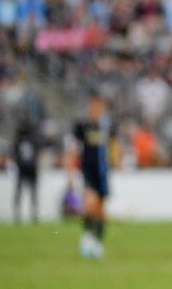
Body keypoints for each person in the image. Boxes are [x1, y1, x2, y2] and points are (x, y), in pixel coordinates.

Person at [70, 93, 115, 259]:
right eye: (95, 106)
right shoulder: (82, 126)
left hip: (103, 173)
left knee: (101, 210)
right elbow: (74, 148)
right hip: (88, 171)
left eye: (100, 106)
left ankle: (98, 243)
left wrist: (117, 160)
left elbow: (114, 145)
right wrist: (71, 168)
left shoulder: (107, 126)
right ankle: (87, 237)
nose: (98, 109)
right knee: (90, 204)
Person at [13, 122, 42, 224]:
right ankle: (20, 213)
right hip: (26, 168)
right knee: (23, 192)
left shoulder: (22, 140)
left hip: (28, 168)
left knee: (31, 192)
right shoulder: (26, 140)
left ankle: (32, 214)